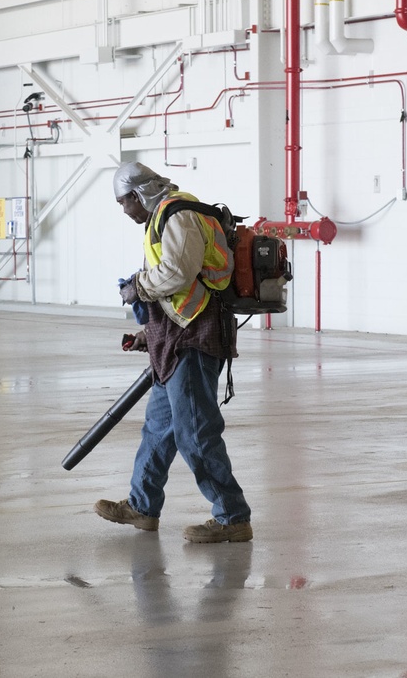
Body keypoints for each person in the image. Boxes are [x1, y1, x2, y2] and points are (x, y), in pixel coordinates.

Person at [94, 161, 253, 544]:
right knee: (159, 430)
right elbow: (181, 289)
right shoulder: (164, 218)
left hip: (195, 338)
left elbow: (177, 274)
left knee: (195, 433)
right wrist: (149, 333)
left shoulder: (177, 214)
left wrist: (137, 287)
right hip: (176, 337)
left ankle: (232, 516)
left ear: (137, 195)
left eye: (123, 202)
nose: (123, 210)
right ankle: (142, 506)